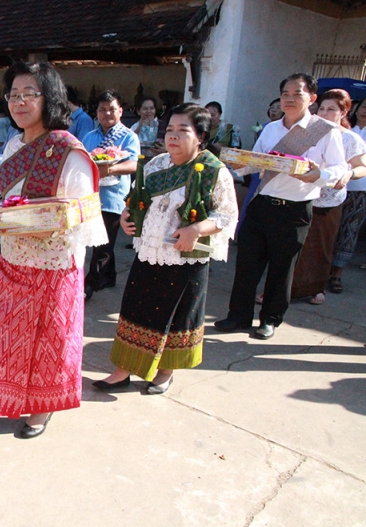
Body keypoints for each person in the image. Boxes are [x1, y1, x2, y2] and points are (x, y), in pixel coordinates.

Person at [0, 61, 107, 443]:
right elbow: (8, 200)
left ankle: (43, 407)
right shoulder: (12, 146)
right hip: (13, 260)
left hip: (55, 265)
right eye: (13, 95)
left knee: (50, 342)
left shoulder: (69, 151)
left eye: (29, 94)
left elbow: (84, 215)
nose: (19, 102)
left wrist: (41, 220)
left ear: (48, 99)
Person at [93, 104, 238, 394]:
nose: (173, 136)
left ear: (200, 136)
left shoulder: (213, 172)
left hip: (185, 258)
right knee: (136, 309)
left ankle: (165, 372)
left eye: (183, 130)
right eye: (170, 129)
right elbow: (136, 200)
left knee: (177, 314)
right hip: (150, 252)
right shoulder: (157, 164)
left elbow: (227, 215)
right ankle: (123, 371)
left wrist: (196, 229)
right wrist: (126, 216)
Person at [215, 73, 347, 340]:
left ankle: (270, 319)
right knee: (247, 264)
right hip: (262, 204)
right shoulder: (271, 129)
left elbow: (338, 168)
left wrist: (317, 175)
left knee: (282, 268)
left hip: (295, 210)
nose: (289, 99)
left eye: (296, 94)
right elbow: (260, 162)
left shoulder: (325, 131)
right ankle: (238, 316)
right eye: (285, 93)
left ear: (311, 98)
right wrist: (239, 164)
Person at [81, 90, 140, 300]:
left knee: (102, 246)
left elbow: (133, 164)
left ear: (121, 111)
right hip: (91, 197)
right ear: (96, 112)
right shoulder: (89, 137)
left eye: (112, 109)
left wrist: (111, 169)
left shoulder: (128, 136)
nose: (107, 114)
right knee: (103, 241)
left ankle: (90, 285)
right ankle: (109, 275)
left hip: (114, 198)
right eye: (102, 110)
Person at [310, 90, 366, 296]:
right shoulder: (309, 132)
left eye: (331, 109)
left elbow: (362, 167)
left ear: (343, 112)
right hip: (304, 194)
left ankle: (317, 288)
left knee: (324, 245)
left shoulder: (350, 138)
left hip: (331, 199)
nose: (324, 113)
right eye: (322, 109)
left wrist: (348, 173)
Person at [237, 98, 284, 237]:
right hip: (258, 170)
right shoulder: (266, 127)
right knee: (251, 199)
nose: (274, 109)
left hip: (276, 175)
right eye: (272, 107)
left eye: (277, 107)